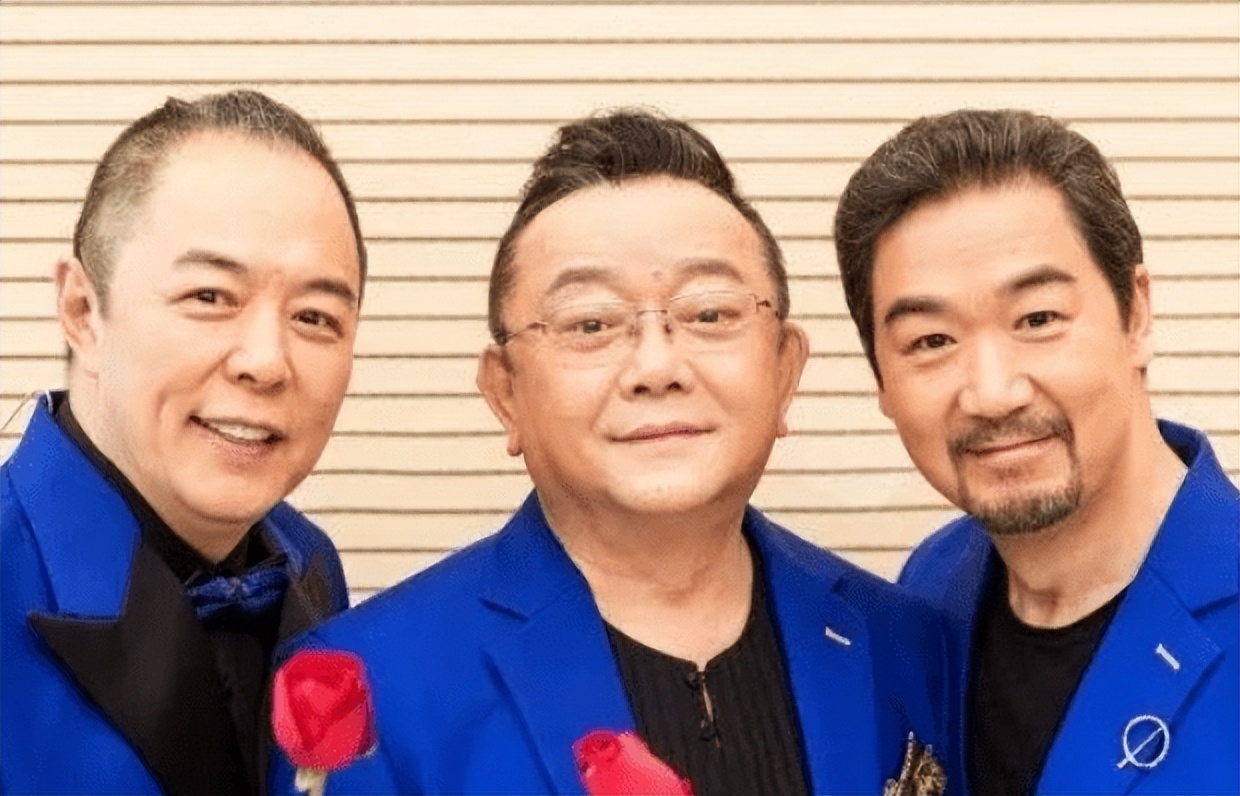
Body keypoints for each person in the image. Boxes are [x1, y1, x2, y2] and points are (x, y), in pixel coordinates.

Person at [272, 109, 952, 796]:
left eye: (709, 313)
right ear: (505, 392)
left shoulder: (909, 645)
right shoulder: (365, 686)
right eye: (591, 323)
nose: (657, 367)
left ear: (785, 370)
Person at [833, 108, 1239, 795]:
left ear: (1136, 314)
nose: (993, 394)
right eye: (931, 341)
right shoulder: (934, 583)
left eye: (1038, 319)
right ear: (881, 378)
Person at [0, 90, 366, 796]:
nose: (266, 361)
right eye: (210, 297)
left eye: (315, 316)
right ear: (83, 311)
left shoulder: (309, 562)